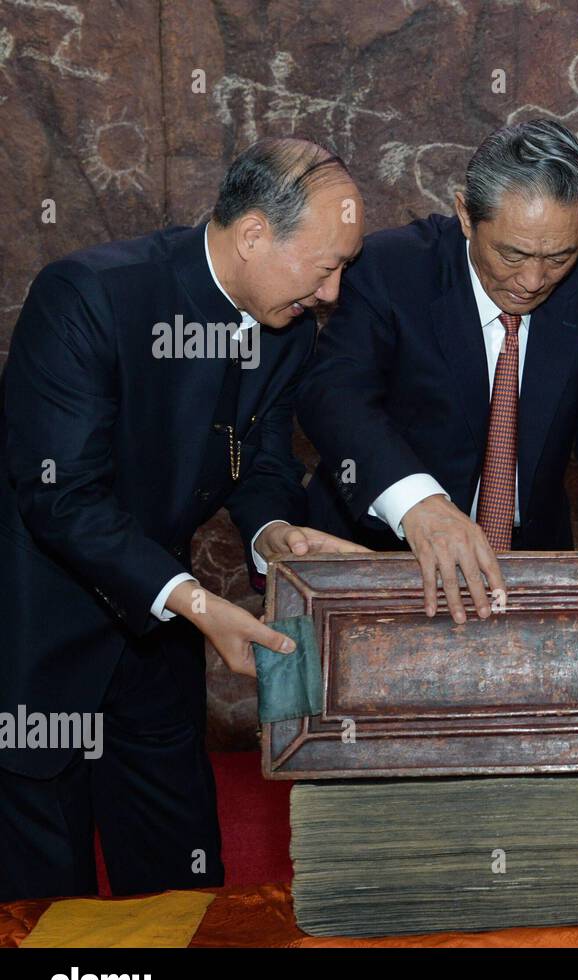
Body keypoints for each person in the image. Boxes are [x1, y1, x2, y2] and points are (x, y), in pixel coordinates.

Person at [0, 138, 369, 901]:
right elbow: (59, 495)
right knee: (42, 904)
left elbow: (261, 457)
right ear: (255, 234)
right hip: (35, 634)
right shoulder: (89, 296)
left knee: (185, 886)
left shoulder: (288, 324)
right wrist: (196, 602)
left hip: (158, 637)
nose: (333, 294)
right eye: (325, 266)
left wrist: (273, 534)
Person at [298, 119, 578, 624]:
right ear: (466, 214)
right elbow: (332, 394)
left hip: (523, 574)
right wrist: (419, 504)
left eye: (559, 257)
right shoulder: (389, 269)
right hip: (373, 559)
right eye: (511, 254)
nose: (532, 280)